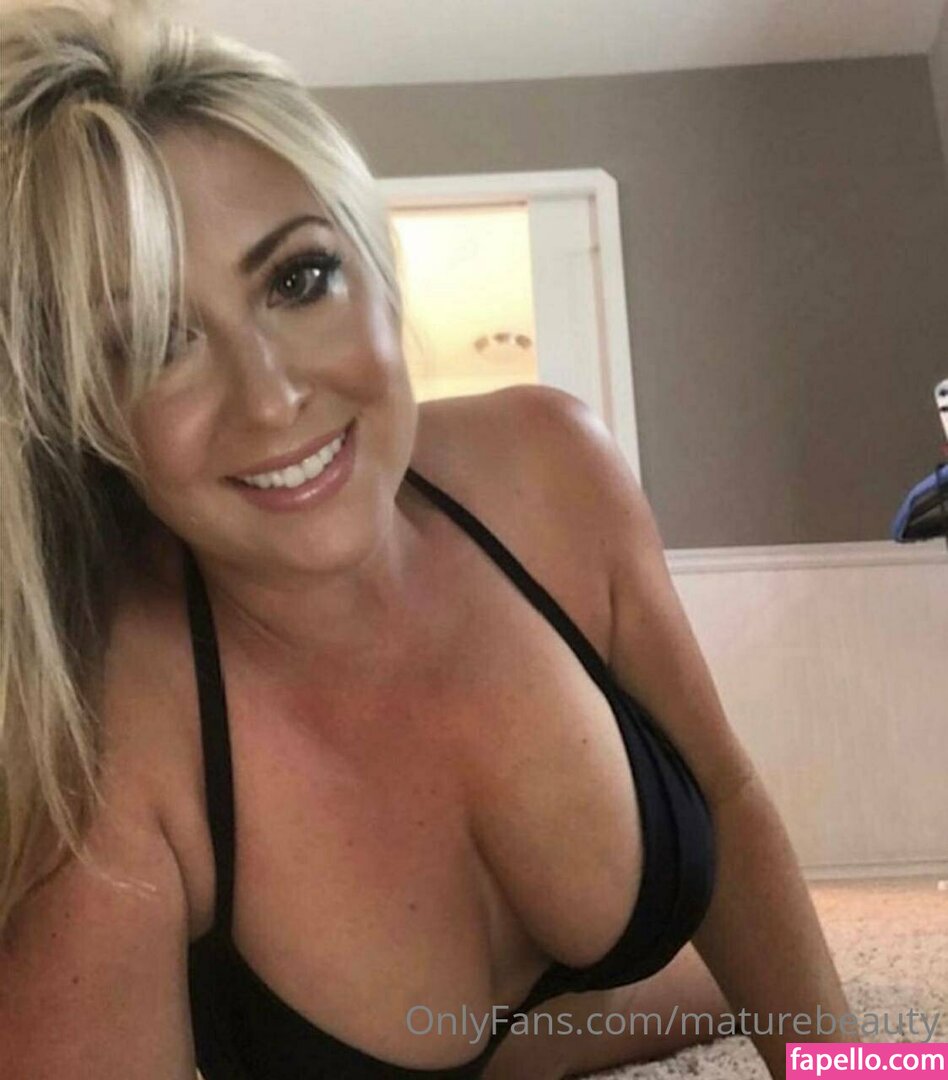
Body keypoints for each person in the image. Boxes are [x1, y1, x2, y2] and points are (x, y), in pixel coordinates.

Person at [0, 2, 854, 1077]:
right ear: (88, 420)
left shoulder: (551, 468)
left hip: (573, 1020)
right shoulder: (105, 745)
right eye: (154, 342)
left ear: (375, 263)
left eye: (298, 279)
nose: (272, 399)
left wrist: (851, 1068)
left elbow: (722, 794)